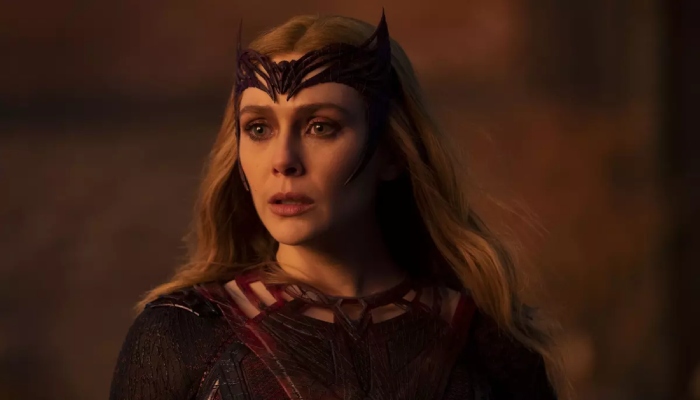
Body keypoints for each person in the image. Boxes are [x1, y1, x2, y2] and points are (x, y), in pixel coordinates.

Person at [109, 10, 567, 400]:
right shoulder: (183, 336)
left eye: (320, 127)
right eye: (259, 129)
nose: (283, 160)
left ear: (391, 152)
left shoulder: (485, 342)